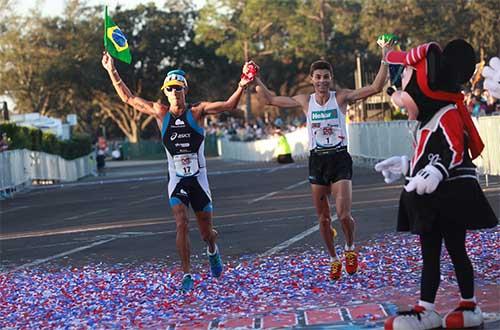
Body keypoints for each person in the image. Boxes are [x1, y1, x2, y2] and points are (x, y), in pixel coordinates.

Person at [101, 51, 254, 292]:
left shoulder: (197, 112)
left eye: (178, 88)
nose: (174, 93)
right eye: (170, 89)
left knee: (206, 233)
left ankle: (212, 249)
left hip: (199, 180)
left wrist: (242, 85)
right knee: (181, 223)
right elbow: (129, 99)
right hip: (177, 180)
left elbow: (229, 105)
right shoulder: (160, 113)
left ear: (185, 90)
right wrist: (112, 70)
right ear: (165, 91)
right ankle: (186, 274)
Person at [376, 40, 497, 330]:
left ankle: (469, 305)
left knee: (457, 249)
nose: (398, 96)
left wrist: (437, 171)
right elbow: (425, 157)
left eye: (404, 87)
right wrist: (406, 166)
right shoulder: (423, 124)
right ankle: (427, 308)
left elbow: (454, 149)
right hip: (430, 199)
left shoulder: (448, 114)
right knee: (429, 254)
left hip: (451, 195)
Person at [254, 41, 392, 280]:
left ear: (331, 78)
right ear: (311, 79)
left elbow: (376, 86)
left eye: (326, 77)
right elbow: (269, 99)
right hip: (317, 161)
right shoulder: (304, 101)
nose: (321, 81)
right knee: (323, 218)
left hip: (339, 158)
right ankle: (332, 259)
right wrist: (254, 78)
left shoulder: (341, 98)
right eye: (317, 77)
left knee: (343, 214)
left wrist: (385, 56)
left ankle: (349, 248)